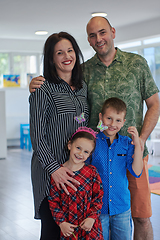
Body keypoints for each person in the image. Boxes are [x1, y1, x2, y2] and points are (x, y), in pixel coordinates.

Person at [29, 17, 160, 240]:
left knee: (140, 217)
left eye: (102, 32)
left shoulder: (131, 65)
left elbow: (154, 104)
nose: (98, 39)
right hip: (76, 163)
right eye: (92, 35)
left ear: (113, 32)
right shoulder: (74, 76)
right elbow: (39, 132)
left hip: (122, 155)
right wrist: (34, 83)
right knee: (73, 223)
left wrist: (139, 142)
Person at [29, 32, 89, 240]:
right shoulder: (42, 89)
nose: (66, 56)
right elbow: (37, 137)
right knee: (52, 231)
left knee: (72, 231)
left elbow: (84, 124)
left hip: (74, 172)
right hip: (49, 173)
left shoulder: (82, 89)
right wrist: (54, 169)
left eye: (70, 50)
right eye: (59, 52)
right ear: (51, 58)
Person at [90, 97, 143, 240]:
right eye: (109, 118)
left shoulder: (127, 143)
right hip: (97, 208)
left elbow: (137, 172)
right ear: (101, 117)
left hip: (122, 207)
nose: (113, 124)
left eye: (118, 120)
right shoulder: (92, 141)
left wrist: (137, 144)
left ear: (123, 122)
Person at [48, 127, 104, 240]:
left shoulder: (92, 172)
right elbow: (53, 201)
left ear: (89, 155)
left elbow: (98, 198)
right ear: (70, 145)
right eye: (78, 148)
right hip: (69, 228)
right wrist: (61, 223)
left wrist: (92, 218)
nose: (80, 153)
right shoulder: (59, 173)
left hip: (89, 227)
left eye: (86, 151)